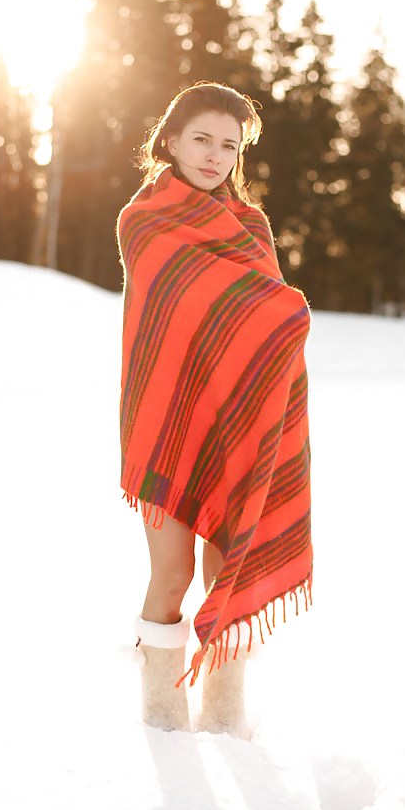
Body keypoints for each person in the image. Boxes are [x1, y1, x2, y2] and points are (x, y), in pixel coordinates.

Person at [116, 82, 313, 737]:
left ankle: (225, 716)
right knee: (170, 575)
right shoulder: (142, 221)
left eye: (229, 145)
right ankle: (162, 719)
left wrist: (286, 315)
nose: (215, 154)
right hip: (167, 419)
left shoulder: (251, 227)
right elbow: (188, 307)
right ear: (170, 140)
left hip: (239, 423)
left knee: (229, 568)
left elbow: (259, 314)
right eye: (202, 138)